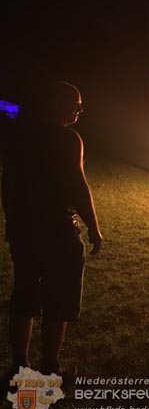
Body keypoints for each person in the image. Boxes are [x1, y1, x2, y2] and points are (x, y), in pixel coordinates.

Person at [1, 81, 103, 377]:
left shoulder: (18, 137)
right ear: (57, 104)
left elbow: (8, 185)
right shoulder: (68, 139)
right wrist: (93, 228)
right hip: (59, 232)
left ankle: (19, 364)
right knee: (59, 300)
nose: (80, 111)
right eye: (76, 105)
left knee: (24, 295)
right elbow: (78, 187)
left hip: (24, 231)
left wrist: (13, 222)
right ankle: (50, 365)